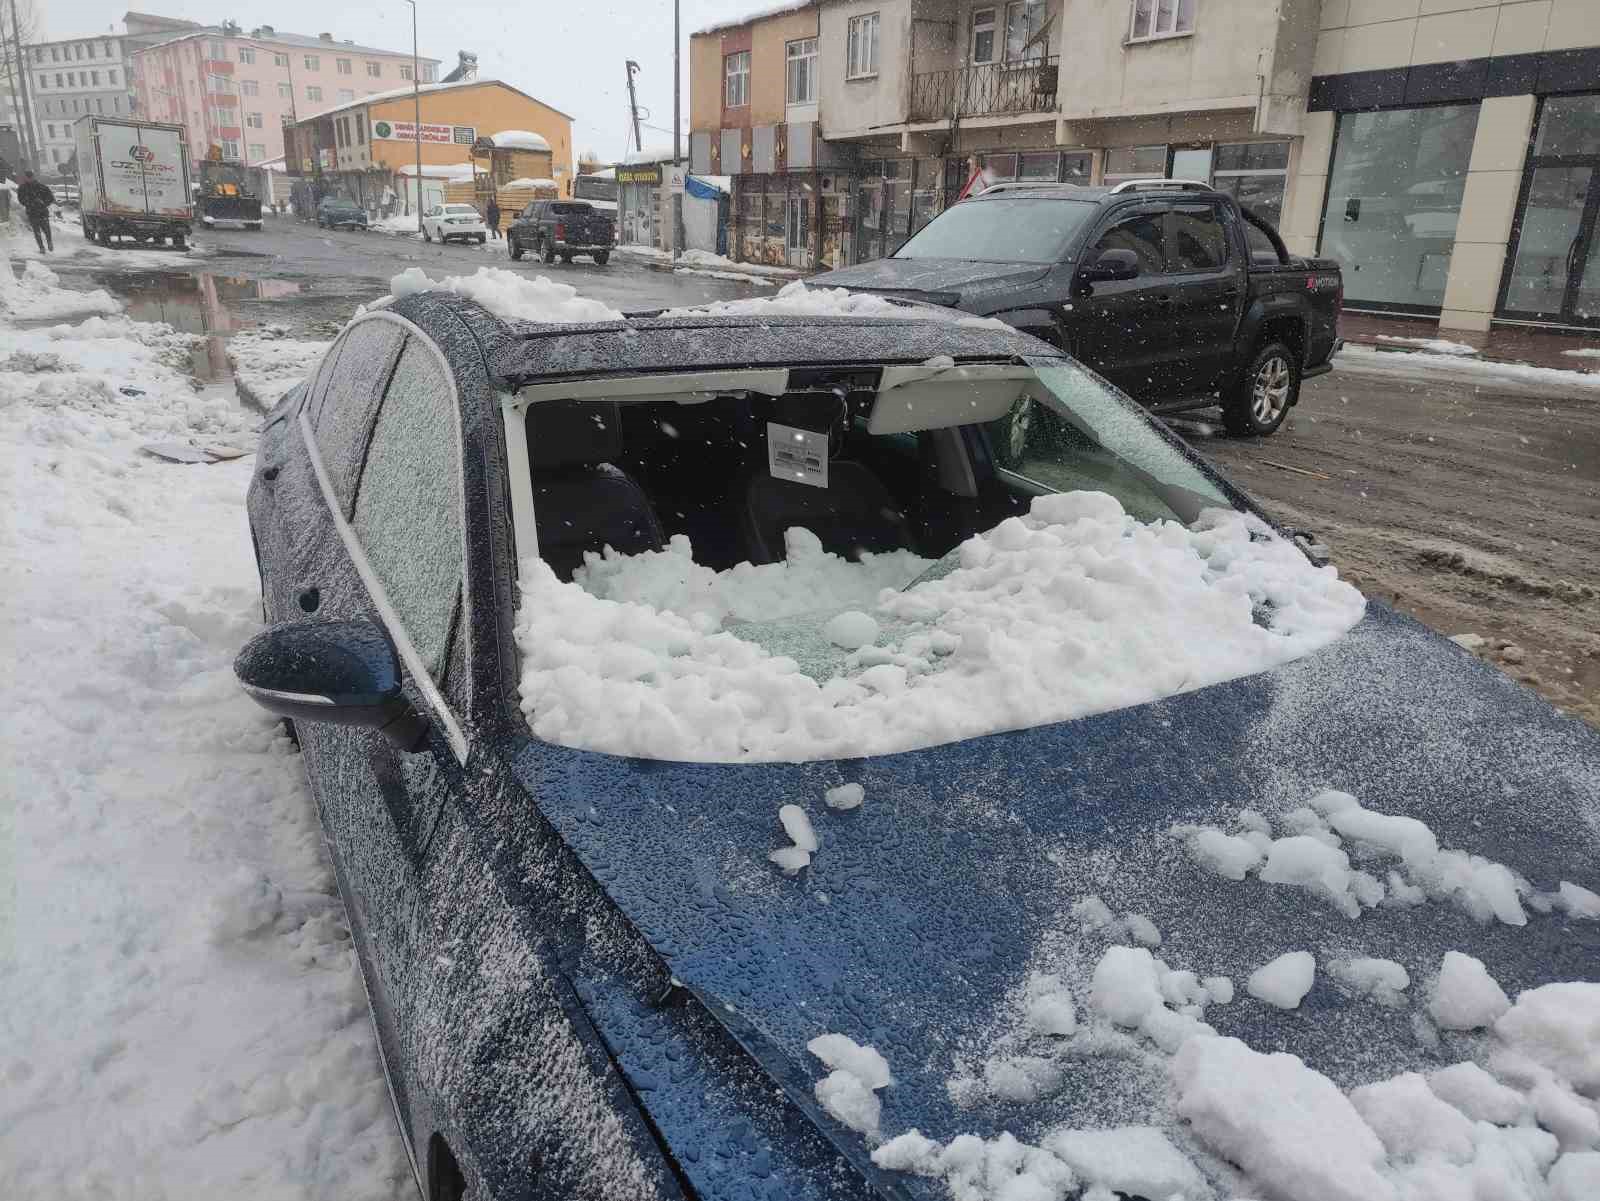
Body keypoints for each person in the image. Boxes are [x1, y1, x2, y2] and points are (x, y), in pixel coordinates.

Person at [18, 170, 54, 253]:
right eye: (27, 177)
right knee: (39, 231)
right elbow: (21, 199)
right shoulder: (23, 188)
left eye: (29, 177)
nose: (28, 179)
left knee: (44, 230)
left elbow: (50, 198)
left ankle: (48, 243)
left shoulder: (41, 187)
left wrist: (43, 203)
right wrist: (30, 203)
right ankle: (42, 247)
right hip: (34, 212)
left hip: (39, 212)